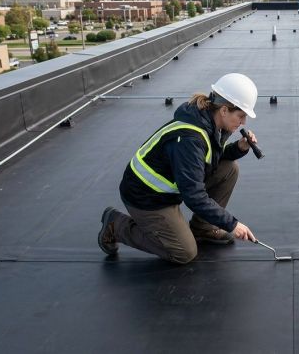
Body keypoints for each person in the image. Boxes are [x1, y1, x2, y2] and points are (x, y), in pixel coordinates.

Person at [98, 73, 259, 264]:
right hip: (147, 198)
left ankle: (203, 228)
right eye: (241, 116)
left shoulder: (210, 123)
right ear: (224, 110)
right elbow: (194, 195)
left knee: (230, 169)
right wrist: (232, 224)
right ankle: (116, 225)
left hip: (170, 189)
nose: (243, 123)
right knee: (184, 252)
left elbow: (209, 159)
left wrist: (239, 148)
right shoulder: (190, 139)